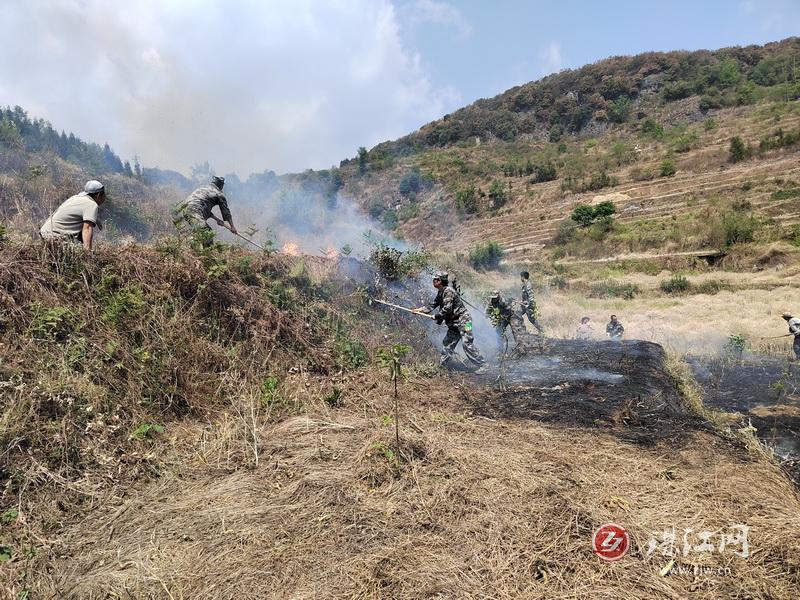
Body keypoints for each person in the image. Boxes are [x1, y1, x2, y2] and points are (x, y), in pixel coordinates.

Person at [419, 272, 485, 371]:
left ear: (441, 281)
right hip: (454, 324)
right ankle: (443, 367)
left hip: (465, 322)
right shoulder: (441, 292)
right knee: (447, 343)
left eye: (436, 279)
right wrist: (418, 310)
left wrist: (437, 316)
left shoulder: (448, 291)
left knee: (467, 343)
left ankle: (483, 365)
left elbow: (447, 309)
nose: (434, 281)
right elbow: (432, 305)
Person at [40, 180, 106, 251]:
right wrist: (88, 254)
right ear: (98, 195)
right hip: (55, 236)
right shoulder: (91, 204)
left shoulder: (75, 198)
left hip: (45, 232)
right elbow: (87, 229)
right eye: (104, 195)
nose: (105, 197)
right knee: (76, 255)